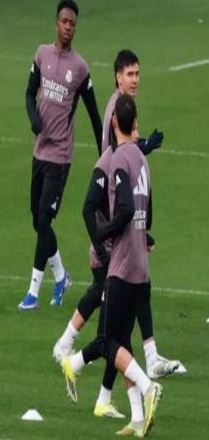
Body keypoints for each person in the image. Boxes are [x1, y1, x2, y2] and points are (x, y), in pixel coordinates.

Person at [52, 49, 179, 418]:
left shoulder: (128, 136)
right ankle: (77, 357)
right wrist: (110, 233)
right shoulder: (117, 120)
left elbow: (136, 194)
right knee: (112, 324)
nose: (135, 79)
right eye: (129, 74)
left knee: (118, 325)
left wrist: (138, 228)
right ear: (117, 77)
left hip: (125, 237)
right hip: (116, 238)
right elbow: (114, 164)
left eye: (138, 73)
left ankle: (114, 399)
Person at [61, 94, 163, 437]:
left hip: (122, 264)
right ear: (136, 123)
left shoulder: (118, 158)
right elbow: (147, 215)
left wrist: (104, 234)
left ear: (114, 123)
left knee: (106, 340)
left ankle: (148, 387)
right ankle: (137, 417)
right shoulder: (143, 160)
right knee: (122, 341)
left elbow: (122, 210)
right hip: (141, 266)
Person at [19, 0, 102, 310]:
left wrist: (105, 157)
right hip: (39, 151)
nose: (68, 27)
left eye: (73, 23)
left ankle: (33, 292)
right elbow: (29, 93)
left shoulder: (79, 68)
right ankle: (62, 276)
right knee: (37, 220)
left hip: (60, 156)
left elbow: (94, 115)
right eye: (64, 21)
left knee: (44, 219)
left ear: (75, 28)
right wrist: (34, 119)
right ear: (56, 23)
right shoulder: (41, 54)